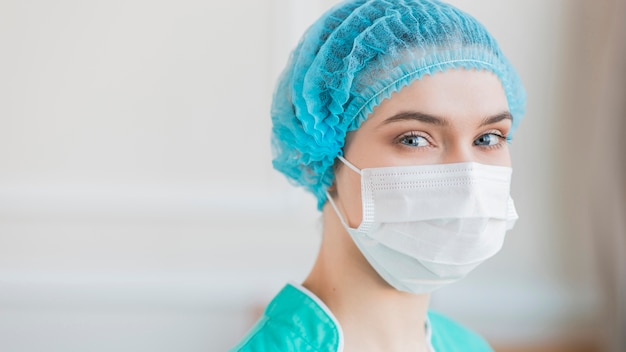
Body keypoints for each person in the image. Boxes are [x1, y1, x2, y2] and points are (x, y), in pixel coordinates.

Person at [231, 0, 526, 351]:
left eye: (488, 138)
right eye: (415, 139)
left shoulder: (469, 346)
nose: (467, 177)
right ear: (322, 159)